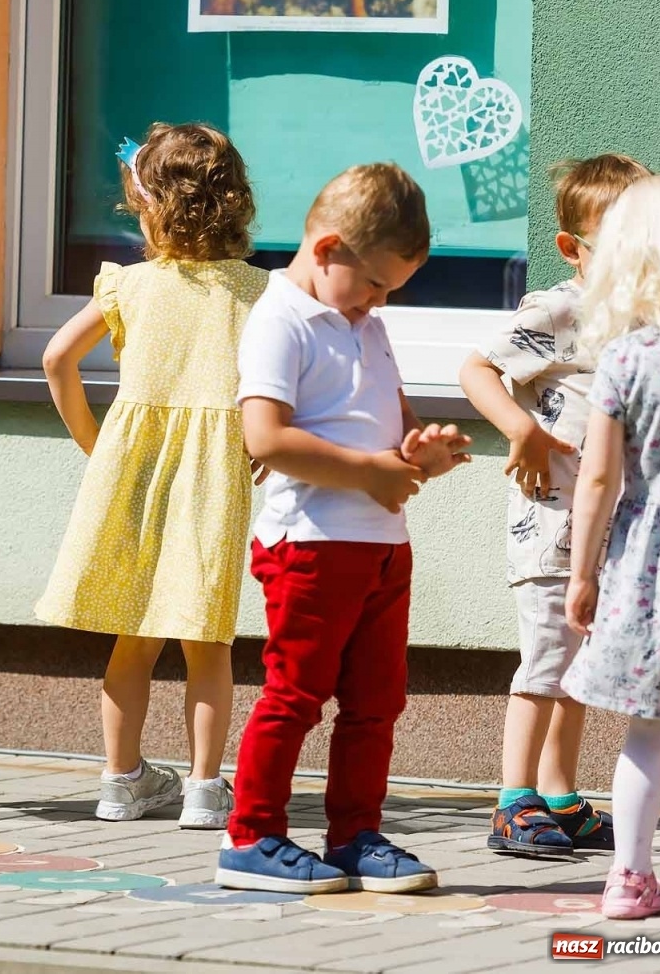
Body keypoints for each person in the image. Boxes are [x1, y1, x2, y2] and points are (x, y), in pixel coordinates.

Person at [216, 164, 472, 894]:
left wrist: (421, 450)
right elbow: (265, 437)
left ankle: (355, 835)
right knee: (295, 694)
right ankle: (251, 837)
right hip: (310, 545)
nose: (380, 301)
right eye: (375, 284)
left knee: (376, 703)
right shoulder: (279, 321)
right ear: (328, 250)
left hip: (382, 546)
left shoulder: (368, 325)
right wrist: (369, 473)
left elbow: (395, 422)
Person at [37, 123, 266, 828]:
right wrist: (271, 440)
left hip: (132, 471)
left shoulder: (129, 286)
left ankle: (120, 781)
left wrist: (96, 443)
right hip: (215, 476)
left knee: (132, 633)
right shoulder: (259, 292)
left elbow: (55, 359)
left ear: (148, 206)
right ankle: (203, 788)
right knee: (207, 640)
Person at [461, 154, 649, 859]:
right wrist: (521, 430)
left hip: (606, 526)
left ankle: (559, 796)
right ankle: (513, 800)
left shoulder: (645, 316)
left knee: (579, 666)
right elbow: (476, 368)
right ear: (573, 248)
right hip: (550, 518)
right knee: (544, 662)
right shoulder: (559, 309)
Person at [563, 171, 660, 919]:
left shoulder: (625, 359)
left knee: (651, 732)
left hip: (652, 568)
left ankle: (628, 877)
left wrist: (582, 574)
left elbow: (597, 479)